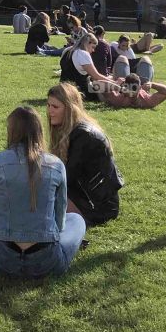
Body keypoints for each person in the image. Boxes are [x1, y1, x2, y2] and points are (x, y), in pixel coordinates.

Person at [0, 105, 86, 280]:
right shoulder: (56, 165)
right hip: (47, 261)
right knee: (76, 219)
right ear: (39, 131)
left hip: (1, 260)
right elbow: (60, 223)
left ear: (11, 131)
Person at [47, 83, 123, 226]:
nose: (50, 111)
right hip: (83, 196)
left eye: (55, 107)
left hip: (98, 206)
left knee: (39, 197)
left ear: (70, 109)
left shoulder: (84, 136)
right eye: (49, 105)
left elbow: (66, 177)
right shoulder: (73, 129)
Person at [60, 31, 113, 99]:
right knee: (106, 85)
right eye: (93, 47)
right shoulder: (83, 54)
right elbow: (96, 76)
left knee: (108, 79)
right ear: (88, 43)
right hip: (79, 90)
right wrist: (114, 82)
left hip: (63, 88)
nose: (93, 50)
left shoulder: (67, 50)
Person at [99, 73, 166, 109]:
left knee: (122, 59)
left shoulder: (118, 100)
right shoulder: (147, 102)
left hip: (123, 83)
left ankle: (111, 76)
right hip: (125, 83)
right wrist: (152, 84)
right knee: (145, 60)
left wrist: (117, 84)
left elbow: (97, 84)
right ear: (140, 87)